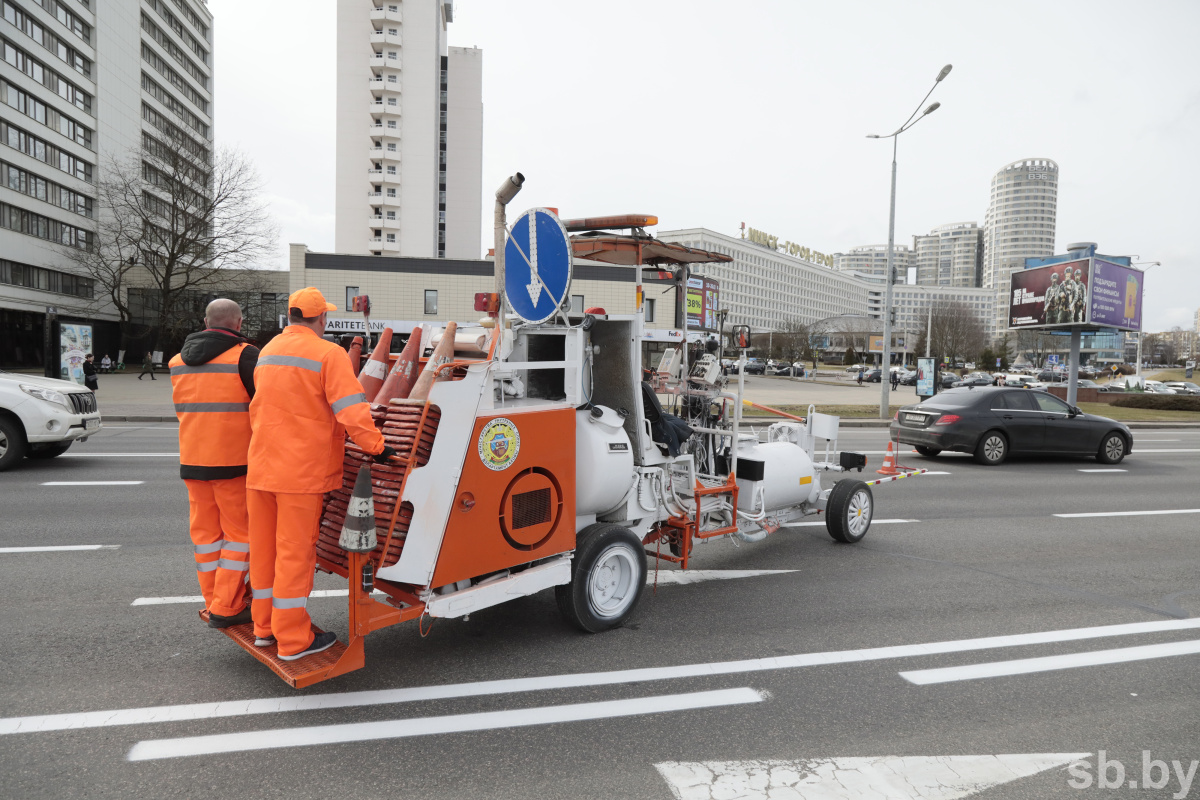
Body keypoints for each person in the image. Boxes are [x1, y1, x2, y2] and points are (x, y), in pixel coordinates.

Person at [246, 287, 395, 662]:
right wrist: (378, 446)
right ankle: (293, 640)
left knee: (265, 551)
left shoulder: (268, 350)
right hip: (300, 473)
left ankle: (264, 628)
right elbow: (351, 409)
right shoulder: (328, 354)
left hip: (262, 467)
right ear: (321, 320)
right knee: (295, 555)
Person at [169, 299, 260, 628]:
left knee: (206, 539)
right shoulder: (245, 355)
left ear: (205, 321)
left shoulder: (177, 361)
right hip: (233, 464)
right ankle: (226, 606)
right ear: (238, 323)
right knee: (240, 536)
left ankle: (215, 600)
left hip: (192, 462)